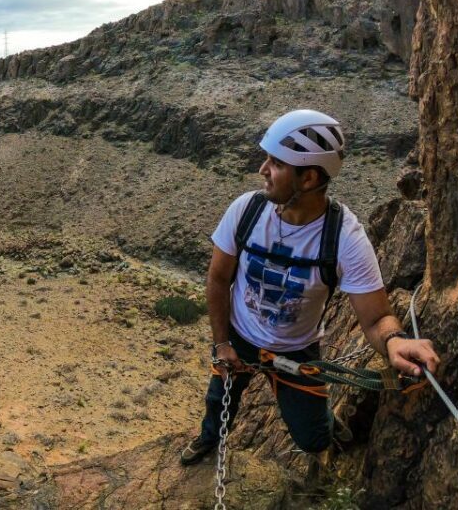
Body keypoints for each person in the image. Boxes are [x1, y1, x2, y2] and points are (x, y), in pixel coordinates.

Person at [180, 109, 440, 469]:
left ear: (309, 177)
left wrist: (396, 341)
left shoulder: (344, 238)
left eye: (276, 163)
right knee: (218, 400)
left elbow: (376, 316)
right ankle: (209, 439)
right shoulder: (246, 211)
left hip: (296, 350)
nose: (262, 170)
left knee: (313, 437)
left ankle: (326, 430)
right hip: (239, 336)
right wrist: (222, 343)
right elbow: (218, 279)